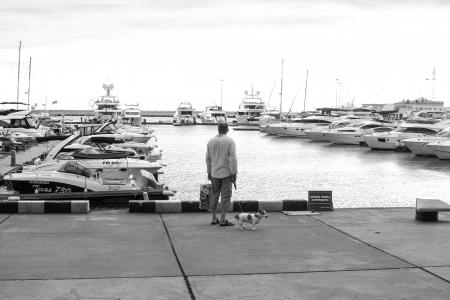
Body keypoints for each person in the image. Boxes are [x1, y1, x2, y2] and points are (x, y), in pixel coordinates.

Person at [206, 121, 237, 226]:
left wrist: (209, 172)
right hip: (226, 173)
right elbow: (233, 158)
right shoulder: (230, 141)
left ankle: (214, 218)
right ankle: (223, 219)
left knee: (215, 196)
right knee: (225, 197)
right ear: (227, 130)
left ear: (218, 129)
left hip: (214, 173)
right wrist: (234, 173)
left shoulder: (210, 142)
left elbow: (208, 159)